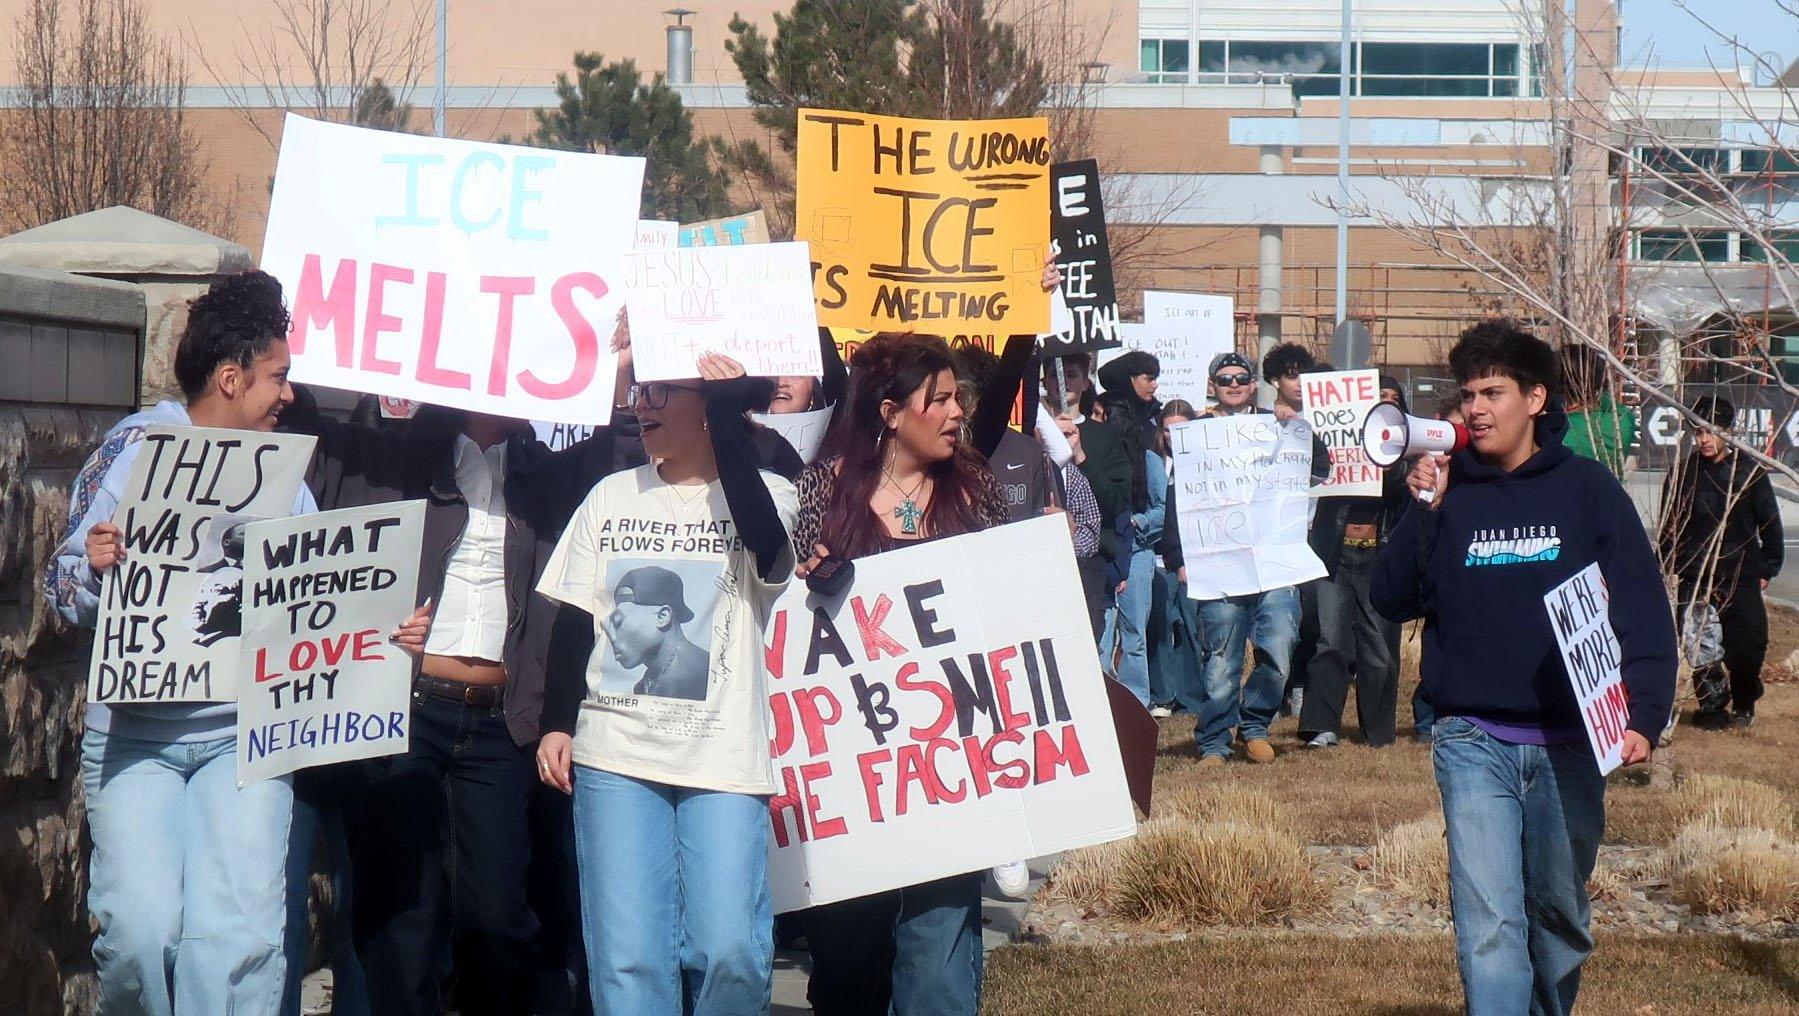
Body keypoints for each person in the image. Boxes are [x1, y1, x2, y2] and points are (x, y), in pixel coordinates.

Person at [43, 270, 430, 1016]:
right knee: (140, 937)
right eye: (278, 376)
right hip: (135, 744)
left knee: (240, 944)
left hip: (245, 746)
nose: (289, 393)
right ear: (231, 378)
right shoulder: (132, 452)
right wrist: (92, 569)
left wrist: (389, 638)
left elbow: (324, 602)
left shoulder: (289, 483)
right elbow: (60, 589)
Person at [1371, 319, 1675, 1016]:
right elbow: (1390, 598)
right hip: (1472, 738)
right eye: (1467, 394)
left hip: (1572, 742)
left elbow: (1639, 602)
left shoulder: (1586, 488)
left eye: (1492, 393)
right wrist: (1421, 510)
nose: (1475, 408)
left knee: (1560, 921)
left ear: (1535, 399)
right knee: (1489, 925)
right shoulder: (1448, 489)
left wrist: (1645, 712)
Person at [536, 354, 798, 1014]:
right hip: (614, 757)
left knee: (731, 950)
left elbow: (765, 543)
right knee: (628, 960)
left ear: (710, 403)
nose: (640, 404)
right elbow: (576, 617)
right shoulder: (610, 495)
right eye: (638, 389)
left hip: (722, 760)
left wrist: (728, 413)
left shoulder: (772, 492)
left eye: (659, 391)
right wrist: (557, 722)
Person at [793, 333, 1009, 1016]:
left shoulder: (975, 488)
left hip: (950, 764)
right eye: (937, 400)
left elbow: (1004, 603)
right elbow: (783, 611)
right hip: (854, 775)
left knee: (938, 965)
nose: (955, 412)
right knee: (850, 963)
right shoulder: (822, 490)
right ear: (889, 412)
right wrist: (805, 575)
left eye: (956, 398)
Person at [1173, 350, 1322, 765]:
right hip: (1217, 561)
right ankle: (1215, 741)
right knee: (1222, 658)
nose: (1234, 385)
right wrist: (1177, 555)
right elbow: (1178, 496)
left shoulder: (1278, 424)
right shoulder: (1196, 432)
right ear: (1212, 386)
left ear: (1254, 384)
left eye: (1242, 378)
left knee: (1281, 646)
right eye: (1225, 379)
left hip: (1274, 559)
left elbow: (1319, 468)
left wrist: (1300, 429)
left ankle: (1254, 724)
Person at [1298, 374, 1410, 748]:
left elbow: (1403, 493)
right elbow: (1312, 468)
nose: (1387, 401)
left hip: (1380, 555)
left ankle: (1378, 733)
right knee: (1329, 641)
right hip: (1335, 552)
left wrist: (1391, 463)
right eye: (1380, 395)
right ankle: (1320, 726)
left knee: (1379, 646)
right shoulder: (1335, 441)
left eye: (1394, 397)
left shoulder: (1407, 450)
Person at [1658, 394, 1783, 730]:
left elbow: (1770, 523)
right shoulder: (1683, 474)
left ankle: (1744, 700)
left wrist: (1768, 566)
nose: (1704, 440)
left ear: (1728, 432)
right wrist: (1667, 565)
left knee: (1747, 647)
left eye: (1711, 432)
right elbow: (1670, 526)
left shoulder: (1748, 473)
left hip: (1740, 574)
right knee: (1701, 647)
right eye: (1698, 432)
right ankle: (1712, 707)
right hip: (1695, 575)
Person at [1095, 350, 1166, 707]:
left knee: (1134, 631)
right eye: (1148, 377)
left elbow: (1161, 508)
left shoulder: (1148, 450)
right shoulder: (1094, 449)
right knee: (1102, 629)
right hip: (1102, 549)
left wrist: (1137, 523)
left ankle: (1136, 702)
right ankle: (1102, 697)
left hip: (1137, 551)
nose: (1154, 385)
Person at [1263, 341, 1320, 718]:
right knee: (1276, 617)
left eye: (1304, 375)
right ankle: (1275, 687)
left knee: (1311, 616)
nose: (1299, 383)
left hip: (1314, 530)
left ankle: (1300, 684)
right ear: (1275, 381)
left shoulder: (1323, 419)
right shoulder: (1260, 422)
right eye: (1291, 375)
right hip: (1274, 533)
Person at [1148, 400, 1203, 717]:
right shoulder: (1154, 461)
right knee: (1159, 627)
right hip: (1155, 557)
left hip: (1187, 559)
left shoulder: (1199, 465)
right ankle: (1162, 694)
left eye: (1181, 429)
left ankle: (1190, 697)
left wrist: (1182, 559)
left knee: (1189, 628)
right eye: (1168, 430)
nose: (1173, 436)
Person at [1559, 342, 1636, 477]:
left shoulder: (1560, 434)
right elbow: (1610, 400)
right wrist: (1598, 386)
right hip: (1611, 489)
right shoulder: (1623, 419)